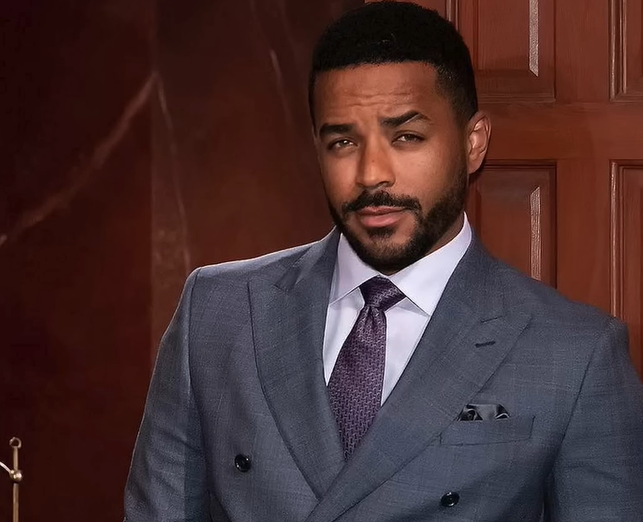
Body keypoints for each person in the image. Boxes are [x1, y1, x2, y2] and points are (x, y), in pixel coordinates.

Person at [124, 3, 643, 521]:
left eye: (406, 137)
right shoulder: (217, 312)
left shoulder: (575, 355)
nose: (372, 174)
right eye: (343, 141)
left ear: (473, 143)